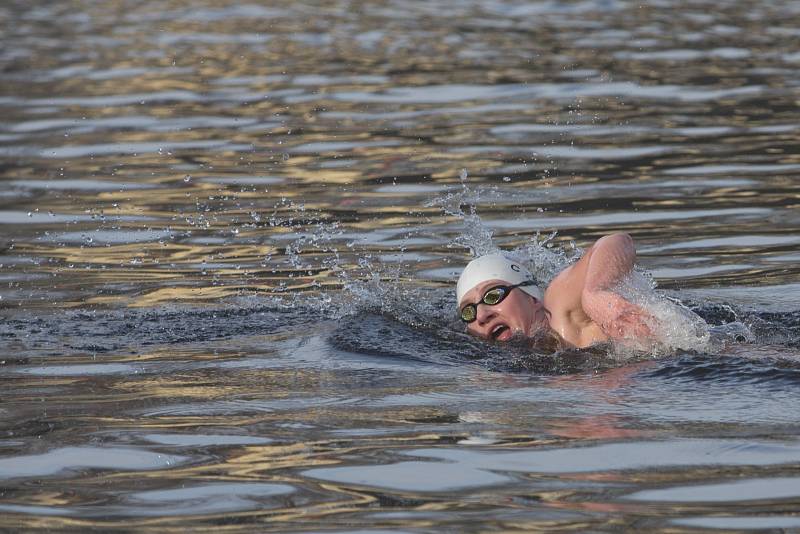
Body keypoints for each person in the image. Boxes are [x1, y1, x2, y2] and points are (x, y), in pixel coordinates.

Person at [456, 233, 654, 349]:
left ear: (532, 298)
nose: (481, 315)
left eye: (493, 296)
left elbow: (617, 242)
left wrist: (595, 292)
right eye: (468, 311)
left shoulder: (561, 312)